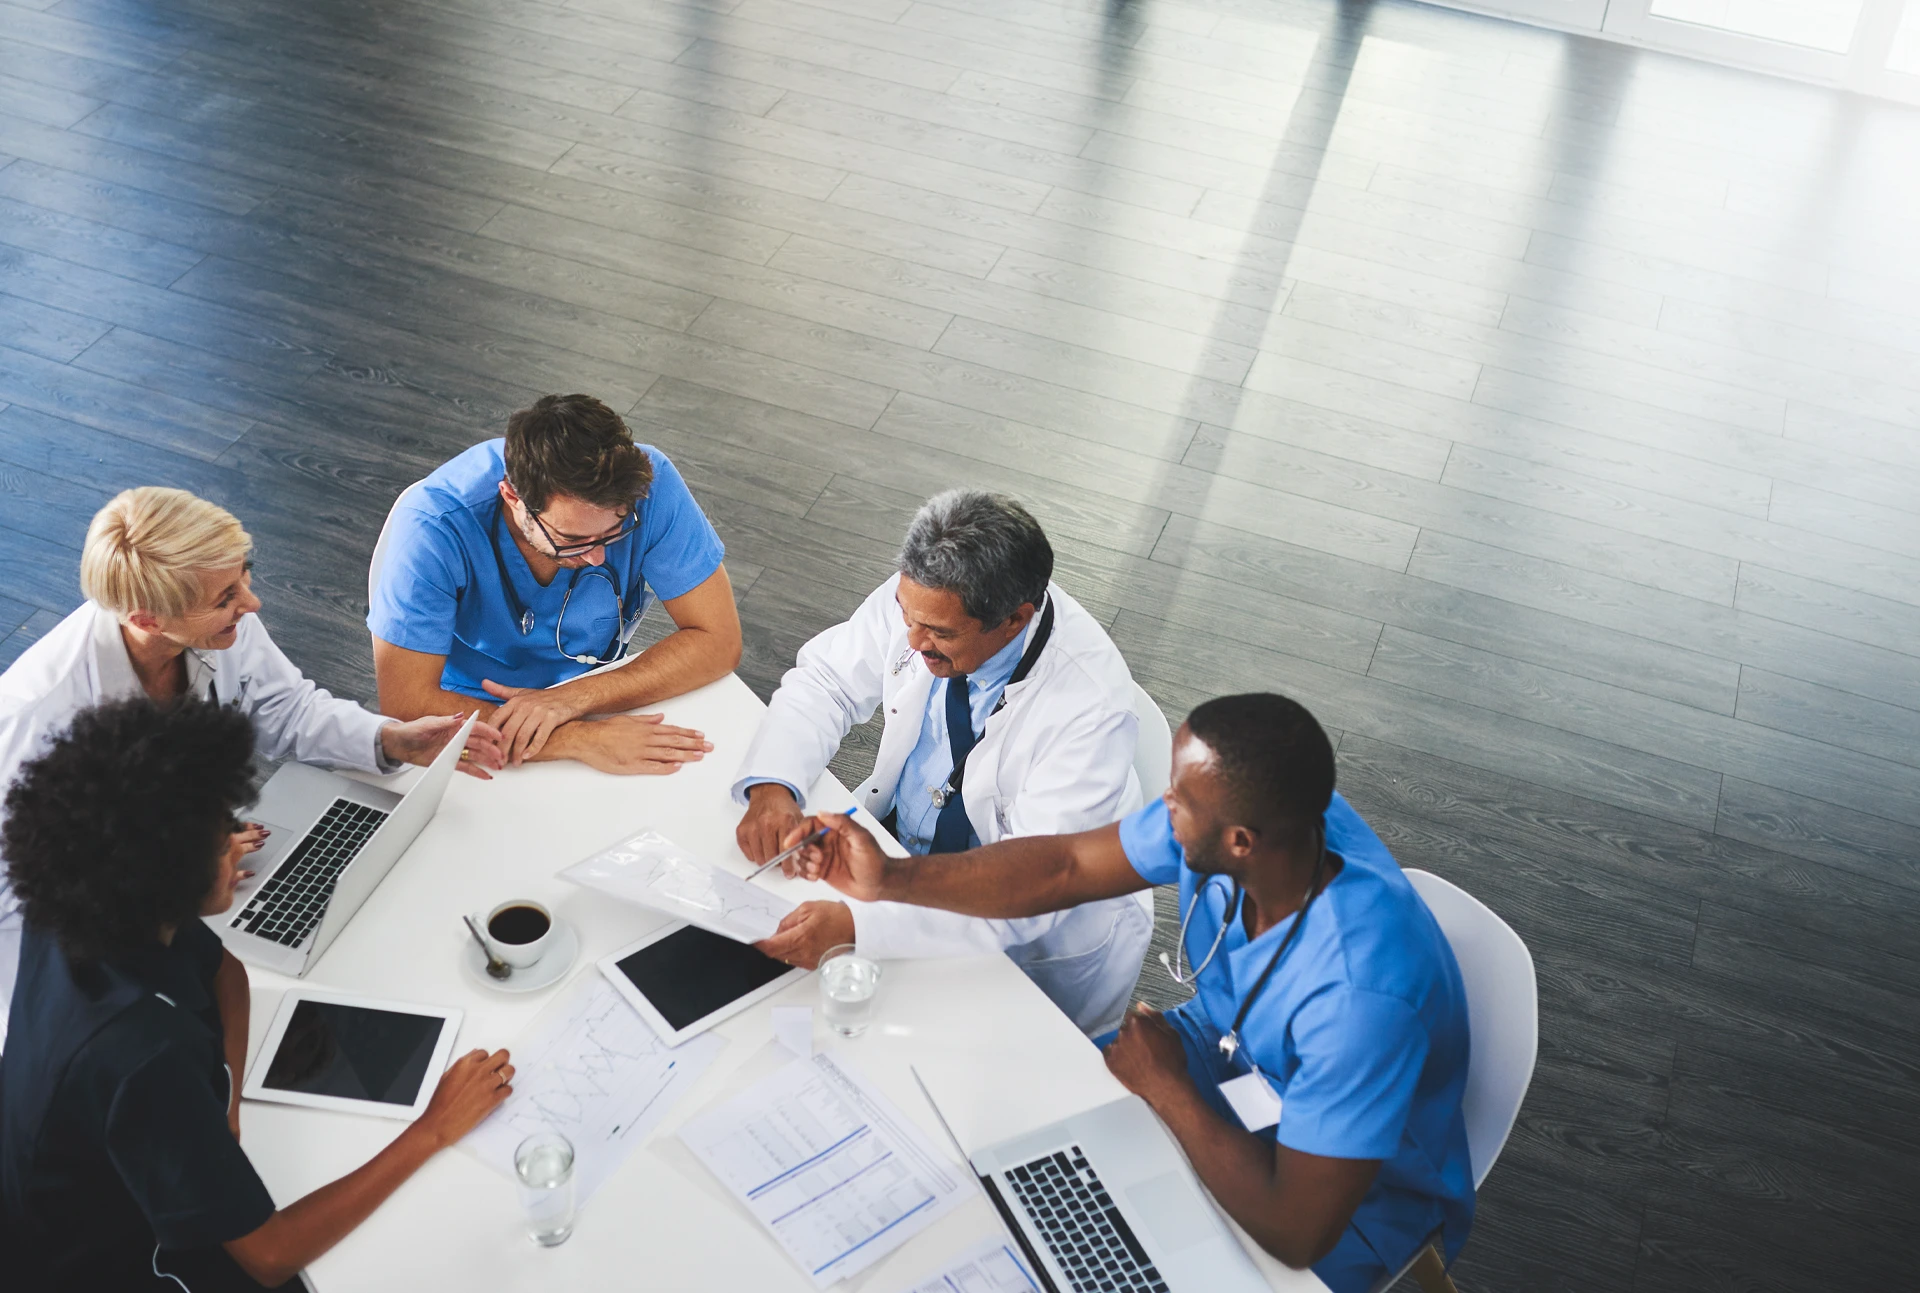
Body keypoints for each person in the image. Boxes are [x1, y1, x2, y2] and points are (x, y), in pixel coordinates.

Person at [780, 693, 1475, 1293]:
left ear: (1241, 841)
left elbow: (1298, 1230)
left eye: (1180, 800)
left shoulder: (1362, 1000)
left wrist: (1168, 1089)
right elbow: (1065, 866)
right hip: (1222, 1052)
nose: (1163, 803)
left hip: (1351, 1195)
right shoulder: (1266, 821)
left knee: (1111, 1248)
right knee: (1001, 1145)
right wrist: (891, 881)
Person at [0, 697, 515, 1290]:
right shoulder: (142, 1053)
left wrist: (224, 1112)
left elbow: (227, 973)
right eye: (219, 841)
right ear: (166, 877)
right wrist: (434, 1128)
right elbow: (270, 1257)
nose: (238, 840)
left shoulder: (86, 907)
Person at [0, 487, 504, 1046]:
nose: (252, 602)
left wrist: (389, 740)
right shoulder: (32, 722)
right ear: (147, 617)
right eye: (226, 597)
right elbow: (16, 912)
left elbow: (287, 708)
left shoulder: (216, 623)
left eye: (246, 574)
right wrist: (174, 872)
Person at [738, 490, 1150, 1038]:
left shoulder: (1092, 710)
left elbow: (1032, 884)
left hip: (1022, 926)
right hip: (896, 855)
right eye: (906, 617)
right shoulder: (926, 598)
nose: (912, 641)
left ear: (1015, 620)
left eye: (940, 633)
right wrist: (774, 785)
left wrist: (863, 927)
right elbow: (827, 682)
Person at [368, 394, 741, 775]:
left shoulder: (650, 484)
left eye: (615, 530)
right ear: (513, 497)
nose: (597, 557)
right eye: (572, 539)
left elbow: (719, 641)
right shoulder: (433, 528)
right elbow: (406, 705)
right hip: (471, 716)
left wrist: (572, 699)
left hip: (599, 693)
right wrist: (576, 739)